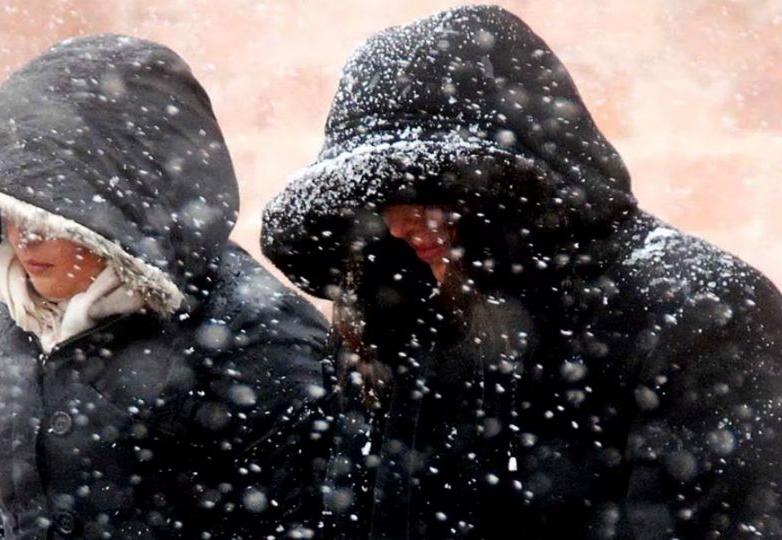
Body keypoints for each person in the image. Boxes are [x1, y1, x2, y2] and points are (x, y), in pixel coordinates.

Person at [261, 5, 782, 539]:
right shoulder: (396, 315)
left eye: (430, 189)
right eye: (382, 199)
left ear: (513, 187)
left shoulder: (697, 311)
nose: (401, 224)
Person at [0, 34, 329, 539]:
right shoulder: (21, 305)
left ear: (123, 208)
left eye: (52, 214)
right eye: (13, 212)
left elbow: (299, 520)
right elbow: (26, 505)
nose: (24, 239)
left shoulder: (257, 336)